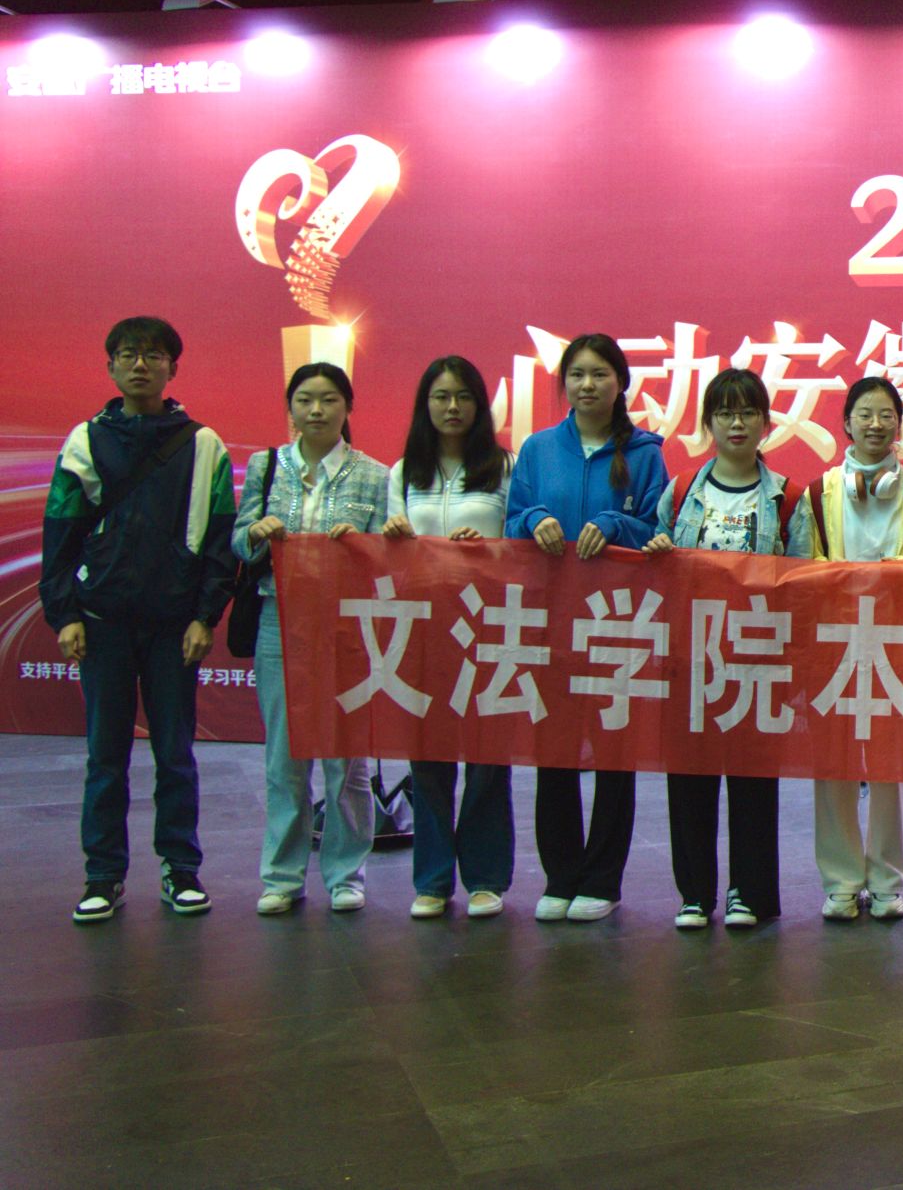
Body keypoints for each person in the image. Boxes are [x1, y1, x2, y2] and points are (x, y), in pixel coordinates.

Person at [44, 316, 236, 923]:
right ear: (110, 366)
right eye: (128, 354)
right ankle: (103, 876)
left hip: (173, 626)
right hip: (101, 620)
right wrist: (65, 615)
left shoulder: (204, 445)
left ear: (172, 368)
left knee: (175, 754)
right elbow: (60, 532)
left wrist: (205, 616)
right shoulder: (85, 441)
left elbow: (220, 542)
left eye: (153, 355)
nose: (140, 364)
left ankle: (181, 870)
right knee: (106, 757)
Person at [506, 334, 668, 923]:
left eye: (600, 374)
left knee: (613, 753)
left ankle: (602, 880)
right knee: (554, 751)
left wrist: (615, 525)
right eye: (576, 374)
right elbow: (512, 519)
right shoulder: (538, 449)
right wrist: (535, 519)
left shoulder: (645, 454)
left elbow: (658, 526)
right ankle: (560, 876)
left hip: (617, 622)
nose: (587, 385)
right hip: (550, 620)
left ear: (620, 383)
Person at [645, 367, 813, 931]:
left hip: (756, 658)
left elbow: (803, 583)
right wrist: (658, 551)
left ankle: (750, 893)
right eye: (724, 413)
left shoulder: (788, 497)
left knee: (753, 783)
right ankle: (695, 894)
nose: (736, 423)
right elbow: (654, 574)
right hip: (691, 658)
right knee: (689, 779)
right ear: (708, 423)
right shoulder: (681, 492)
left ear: (766, 422)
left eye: (747, 413)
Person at [235, 362, 390, 914]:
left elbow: (391, 556)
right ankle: (282, 876)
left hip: (347, 625)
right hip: (279, 619)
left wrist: (362, 545)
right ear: (291, 408)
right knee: (285, 754)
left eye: (328, 400)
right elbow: (238, 540)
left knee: (347, 759)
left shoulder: (376, 475)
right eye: (305, 400)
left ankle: (346, 874)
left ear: (348, 408)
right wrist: (256, 533)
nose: (317, 410)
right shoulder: (265, 467)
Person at [383, 355, 516, 921]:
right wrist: (393, 537)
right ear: (425, 405)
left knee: (488, 758)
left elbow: (520, 546)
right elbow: (386, 557)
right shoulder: (402, 472)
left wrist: (487, 549)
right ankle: (433, 880)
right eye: (441, 396)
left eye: (463, 396)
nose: (452, 407)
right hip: (423, 629)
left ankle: (485, 877)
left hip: (488, 626)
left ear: (479, 406)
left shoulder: (503, 467)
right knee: (429, 758)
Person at [806, 376, 903, 922]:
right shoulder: (819, 492)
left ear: (899, 424)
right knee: (833, 765)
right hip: (834, 643)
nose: (875, 424)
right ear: (846, 422)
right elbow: (805, 567)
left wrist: (888, 575)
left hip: (896, 643)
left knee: (890, 765)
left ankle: (887, 880)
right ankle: (841, 880)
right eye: (864, 414)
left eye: (886, 414)